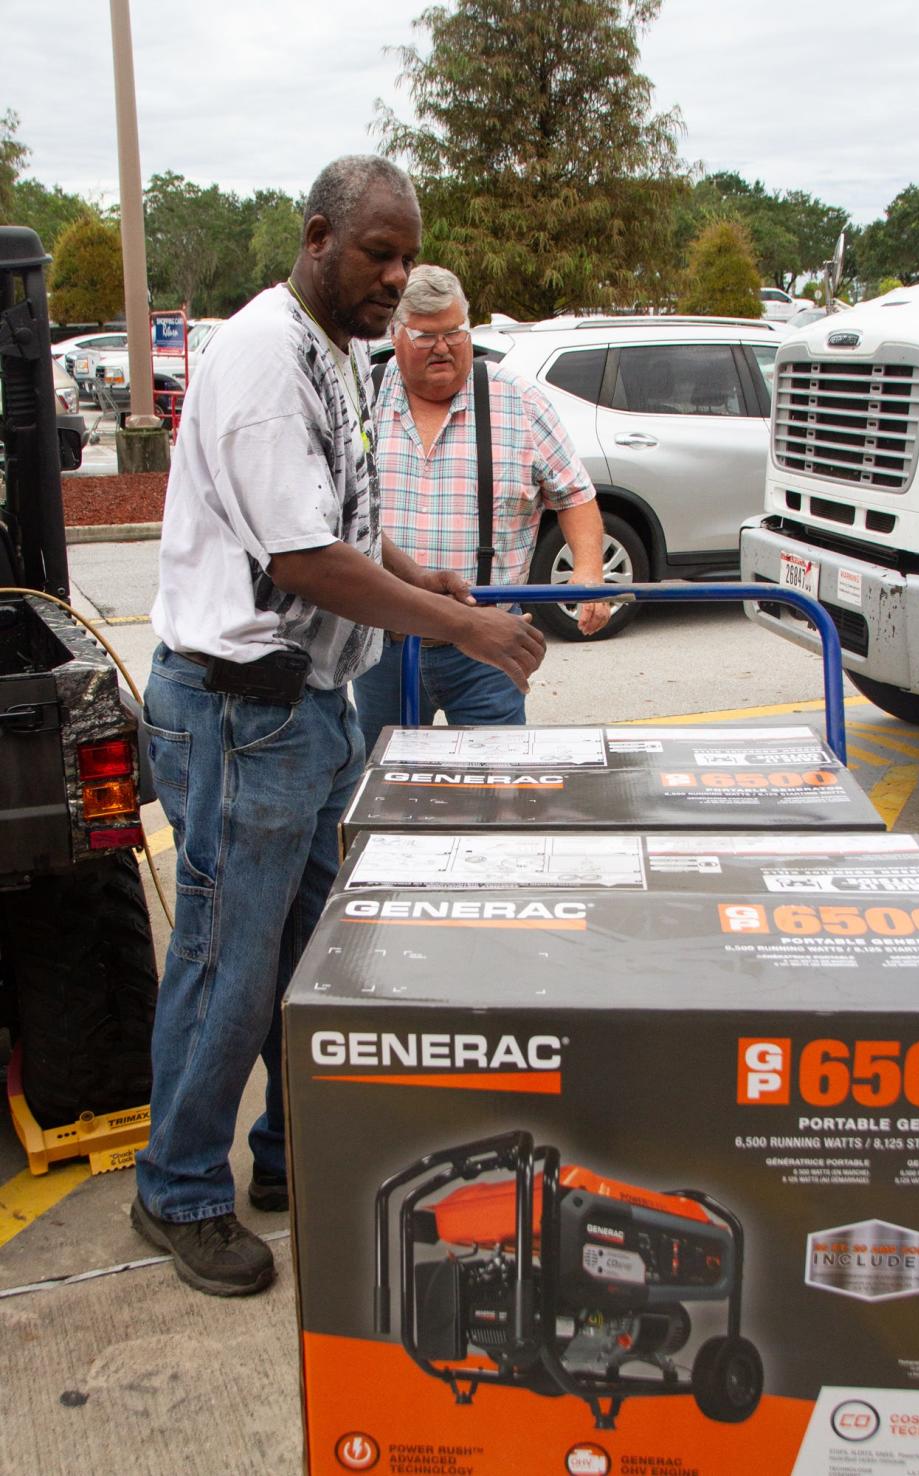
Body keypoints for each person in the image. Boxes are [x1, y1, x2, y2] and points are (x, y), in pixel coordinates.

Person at [130, 157, 544, 1297]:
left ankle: (281, 1155)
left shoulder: (342, 355)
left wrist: (434, 583)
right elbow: (303, 561)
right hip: (237, 715)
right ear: (318, 238)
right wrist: (461, 637)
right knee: (229, 967)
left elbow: (347, 527)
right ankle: (176, 1189)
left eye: (409, 256)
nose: (397, 278)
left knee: (314, 960)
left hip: (306, 715)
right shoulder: (266, 363)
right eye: (379, 254)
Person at [352, 265, 610, 755]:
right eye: (426, 336)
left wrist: (589, 572)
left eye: (455, 333)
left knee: (500, 790)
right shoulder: (366, 398)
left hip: (487, 646)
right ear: (395, 333)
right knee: (387, 791)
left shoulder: (519, 400)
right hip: (384, 648)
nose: (444, 347)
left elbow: (575, 495)